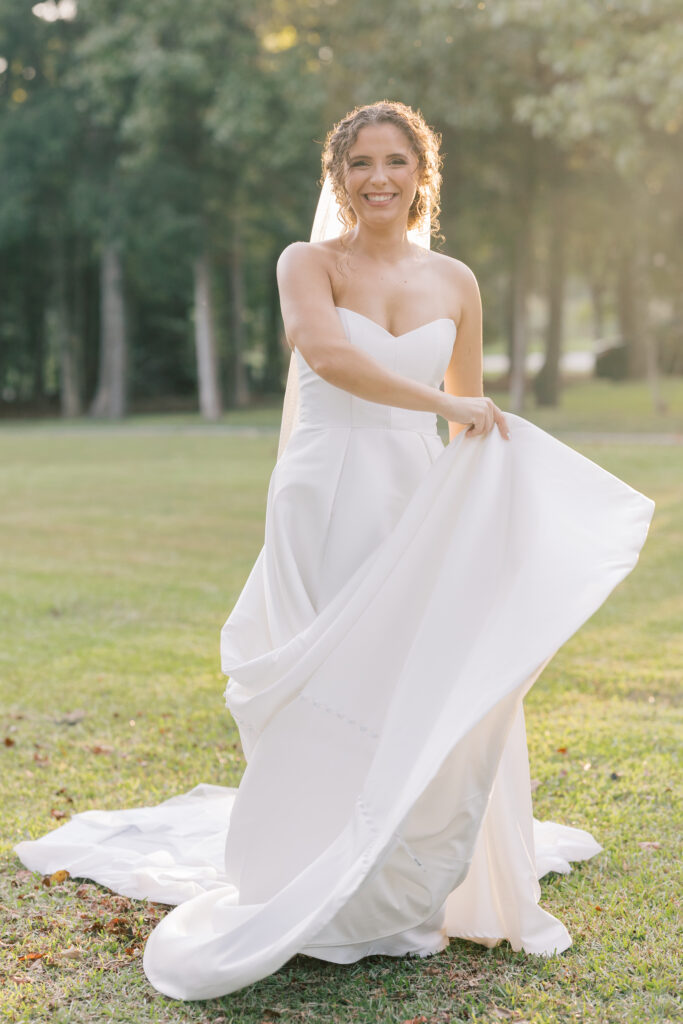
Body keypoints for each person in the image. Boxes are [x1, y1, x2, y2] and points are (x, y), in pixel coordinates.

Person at [14, 101, 655, 1002]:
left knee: (408, 675)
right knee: (327, 679)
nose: (379, 177)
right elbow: (328, 357)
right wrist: (447, 410)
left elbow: (472, 412)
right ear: (339, 175)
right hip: (322, 491)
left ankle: (389, 879)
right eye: (360, 162)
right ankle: (307, 866)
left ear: (420, 173)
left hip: (410, 497)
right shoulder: (306, 263)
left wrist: (495, 482)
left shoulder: (457, 280)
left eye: (396, 160)